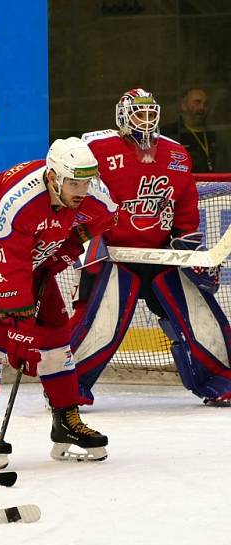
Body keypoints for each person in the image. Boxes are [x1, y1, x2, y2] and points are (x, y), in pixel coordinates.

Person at [0, 138, 117, 468]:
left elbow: (107, 217)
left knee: (56, 332)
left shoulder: (90, 194)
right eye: (74, 182)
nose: (81, 190)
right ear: (53, 177)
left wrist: (66, 248)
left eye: (86, 181)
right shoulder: (22, 200)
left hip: (32, 252)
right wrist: (21, 329)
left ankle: (66, 422)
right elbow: (9, 269)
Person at [72, 88, 231, 406]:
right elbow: (76, 190)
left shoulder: (176, 153)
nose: (145, 120)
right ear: (122, 116)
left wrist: (187, 243)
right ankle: (67, 387)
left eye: (150, 113)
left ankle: (220, 381)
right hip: (113, 256)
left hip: (162, 254)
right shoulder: (95, 147)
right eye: (138, 114)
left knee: (202, 318)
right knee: (98, 324)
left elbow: (185, 204)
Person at [160, 88, 219, 173]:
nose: (202, 108)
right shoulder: (168, 134)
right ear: (183, 106)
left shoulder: (213, 135)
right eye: (197, 102)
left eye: (206, 104)